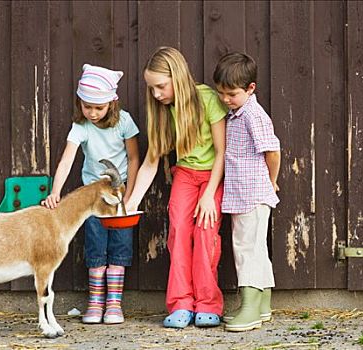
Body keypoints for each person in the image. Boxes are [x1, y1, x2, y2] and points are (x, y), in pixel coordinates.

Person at [125, 47, 227, 328]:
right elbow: (150, 162)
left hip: (211, 177)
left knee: (205, 232)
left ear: (178, 77)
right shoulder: (162, 111)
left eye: (161, 86)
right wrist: (132, 201)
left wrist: (209, 195)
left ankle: (208, 303)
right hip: (184, 174)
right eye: (152, 88)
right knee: (179, 231)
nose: (156, 94)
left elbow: (222, 152)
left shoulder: (207, 99)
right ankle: (181, 303)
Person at [42, 64, 140, 325]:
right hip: (92, 200)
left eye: (99, 107)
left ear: (112, 103)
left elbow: (133, 158)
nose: (93, 113)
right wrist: (55, 192)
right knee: (96, 245)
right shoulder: (81, 126)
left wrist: (129, 198)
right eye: (87, 107)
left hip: (119, 197)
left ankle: (114, 304)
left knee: (120, 245)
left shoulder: (124, 122)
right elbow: (67, 160)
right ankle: (96, 302)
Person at [212, 52, 281, 332]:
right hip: (244, 192)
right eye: (221, 93)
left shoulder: (253, 115)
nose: (225, 99)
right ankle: (263, 305)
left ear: (250, 88)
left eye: (231, 94)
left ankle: (250, 308)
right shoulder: (237, 112)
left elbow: (273, 151)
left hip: (252, 193)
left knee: (246, 249)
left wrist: (271, 181)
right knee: (256, 248)